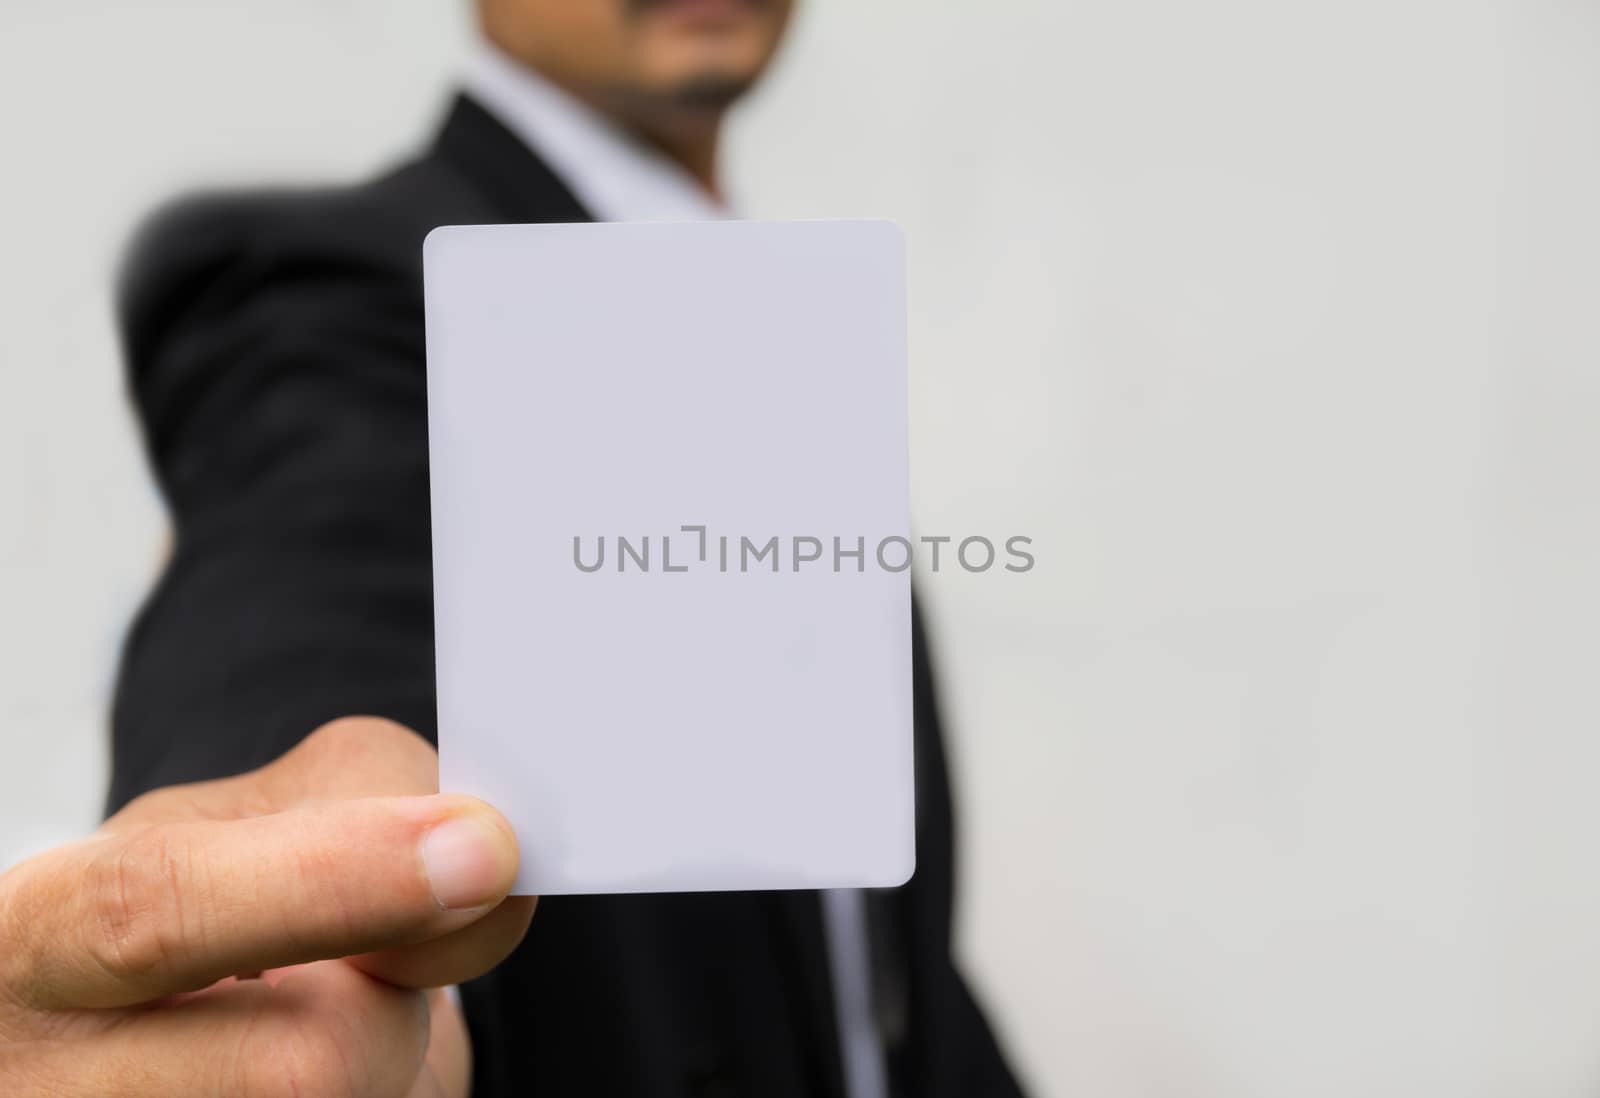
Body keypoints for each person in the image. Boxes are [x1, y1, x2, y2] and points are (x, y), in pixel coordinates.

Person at [0, 1, 1024, 1095]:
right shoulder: (344, 298)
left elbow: (854, 932)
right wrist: (329, 923)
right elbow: (304, 597)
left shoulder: (780, 309)